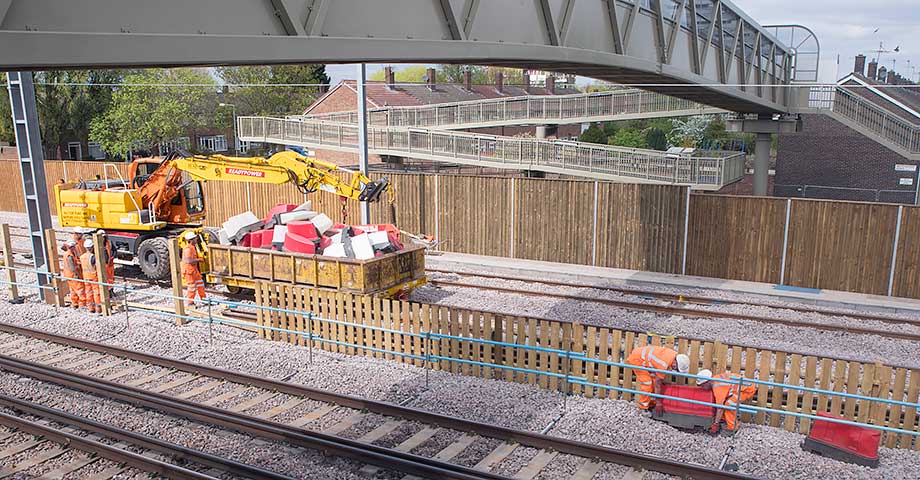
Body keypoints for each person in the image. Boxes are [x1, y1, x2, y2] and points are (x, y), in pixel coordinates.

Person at [626, 345, 690, 413]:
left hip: (643, 359)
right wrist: (658, 403)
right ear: (675, 363)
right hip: (637, 360)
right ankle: (643, 408)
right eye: (676, 369)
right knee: (647, 384)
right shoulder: (663, 364)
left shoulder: (672, 355)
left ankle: (651, 403)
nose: (675, 370)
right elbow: (657, 384)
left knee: (653, 381)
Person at [696, 369, 757, 435]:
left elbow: (720, 408)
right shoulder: (716, 379)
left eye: (702, 385)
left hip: (746, 390)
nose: (702, 388)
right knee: (725, 403)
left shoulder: (718, 387)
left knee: (728, 405)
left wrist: (716, 423)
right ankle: (724, 421)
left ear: (708, 382)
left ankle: (732, 428)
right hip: (743, 387)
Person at [181, 231, 206, 306]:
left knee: (200, 284)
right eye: (195, 238)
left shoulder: (193, 247)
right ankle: (190, 302)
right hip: (189, 271)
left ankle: (204, 299)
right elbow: (189, 261)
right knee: (192, 287)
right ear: (191, 240)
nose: (196, 239)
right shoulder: (188, 249)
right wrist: (199, 260)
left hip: (194, 270)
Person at [60, 241, 84, 309]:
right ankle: (82, 304)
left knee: (73, 290)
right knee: (80, 289)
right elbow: (72, 267)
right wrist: (76, 274)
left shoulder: (67, 254)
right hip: (72, 275)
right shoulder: (69, 256)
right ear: (71, 247)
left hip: (68, 275)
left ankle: (75, 303)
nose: (75, 248)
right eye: (74, 247)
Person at [79, 238, 100, 314]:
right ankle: (98, 309)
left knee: (88, 292)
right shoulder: (92, 256)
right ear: (91, 247)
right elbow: (97, 266)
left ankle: (91, 308)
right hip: (93, 277)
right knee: (96, 293)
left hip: (86, 277)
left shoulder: (82, 257)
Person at [97, 230, 116, 295]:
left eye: (103, 237)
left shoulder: (109, 242)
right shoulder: (96, 245)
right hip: (103, 264)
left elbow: (114, 250)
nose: (103, 238)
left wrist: (113, 257)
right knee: (105, 278)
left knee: (111, 278)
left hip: (110, 264)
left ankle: (111, 290)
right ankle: (106, 292)